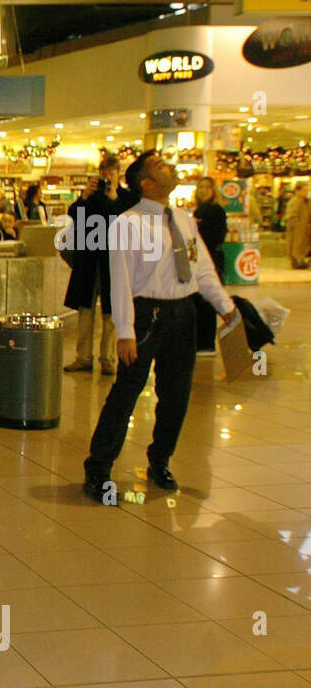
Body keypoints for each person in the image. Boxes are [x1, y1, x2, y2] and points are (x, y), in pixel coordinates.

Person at [82, 150, 237, 502]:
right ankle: (98, 470)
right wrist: (125, 330)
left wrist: (226, 308)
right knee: (125, 394)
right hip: (146, 315)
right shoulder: (128, 223)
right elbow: (118, 281)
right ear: (146, 183)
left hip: (184, 314)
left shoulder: (183, 218)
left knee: (176, 395)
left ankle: (160, 461)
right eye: (160, 166)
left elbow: (202, 270)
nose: (171, 167)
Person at [62, 156, 123, 375]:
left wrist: (114, 198)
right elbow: (73, 215)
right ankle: (83, 357)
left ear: (118, 174)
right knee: (85, 310)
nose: (106, 178)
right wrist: (84, 197)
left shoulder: (124, 197)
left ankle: (108, 358)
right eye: (103, 174)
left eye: (111, 173)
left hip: (113, 260)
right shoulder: (91, 198)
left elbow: (126, 222)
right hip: (88, 259)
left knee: (111, 311)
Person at [192, 177, 229, 353]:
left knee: (207, 302)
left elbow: (216, 237)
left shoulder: (216, 211)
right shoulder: (198, 210)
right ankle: (200, 341)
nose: (203, 190)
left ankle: (207, 343)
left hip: (211, 260)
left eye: (207, 187)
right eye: (201, 186)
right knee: (199, 301)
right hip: (199, 260)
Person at [286, 181, 310, 269]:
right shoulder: (295, 201)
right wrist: (297, 225)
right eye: (304, 190)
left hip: (305, 229)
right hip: (298, 229)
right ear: (298, 191)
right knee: (296, 247)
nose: (306, 192)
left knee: (303, 247)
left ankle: (301, 261)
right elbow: (291, 217)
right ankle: (297, 262)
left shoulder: (305, 201)